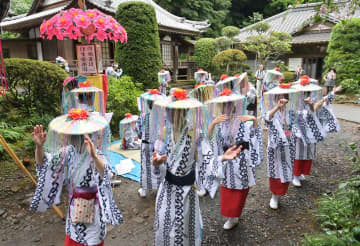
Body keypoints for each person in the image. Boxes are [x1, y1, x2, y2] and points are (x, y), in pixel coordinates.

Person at [151, 89, 242, 245]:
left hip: (186, 190)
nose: (173, 116)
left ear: (185, 112)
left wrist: (221, 158)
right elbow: (157, 155)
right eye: (171, 112)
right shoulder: (165, 132)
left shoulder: (196, 134)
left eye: (177, 112)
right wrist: (157, 161)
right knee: (165, 225)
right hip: (167, 188)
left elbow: (206, 159)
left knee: (184, 228)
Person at [30, 123, 123, 246]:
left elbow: (107, 174)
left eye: (74, 135)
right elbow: (46, 165)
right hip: (74, 212)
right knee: (73, 239)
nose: (70, 137)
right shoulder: (69, 151)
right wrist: (39, 147)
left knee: (92, 240)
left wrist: (94, 157)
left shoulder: (96, 153)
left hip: (93, 213)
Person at [207, 111, 262, 230]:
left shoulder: (244, 119)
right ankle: (231, 217)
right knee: (228, 190)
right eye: (226, 106)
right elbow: (209, 141)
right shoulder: (220, 122)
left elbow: (255, 135)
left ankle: (234, 217)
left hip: (243, 160)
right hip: (227, 160)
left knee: (241, 191)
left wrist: (254, 120)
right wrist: (213, 124)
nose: (229, 109)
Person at [265, 96, 295, 209]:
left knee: (286, 170)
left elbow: (296, 125)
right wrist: (277, 107)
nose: (283, 100)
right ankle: (274, 196)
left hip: (289, 145)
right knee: (276, 172)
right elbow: (267, 119)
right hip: (275, 148)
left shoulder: (291, 111)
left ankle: (280, 193)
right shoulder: (272, 110)